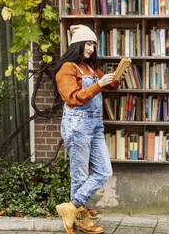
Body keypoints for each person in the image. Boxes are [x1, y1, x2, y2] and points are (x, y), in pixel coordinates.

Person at [53, 24, 126, 234]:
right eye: (87, 43)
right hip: (77, 125)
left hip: (95, 125)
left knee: (104, 171)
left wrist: (118, 75)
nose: (91, 48)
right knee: (79, 176)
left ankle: (71, 207)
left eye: (93, 44)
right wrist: (98, 84)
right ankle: (80, 220)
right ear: (77, 44)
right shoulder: (67, 68)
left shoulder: (90, 68)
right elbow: (73, 98)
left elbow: (110, 86)